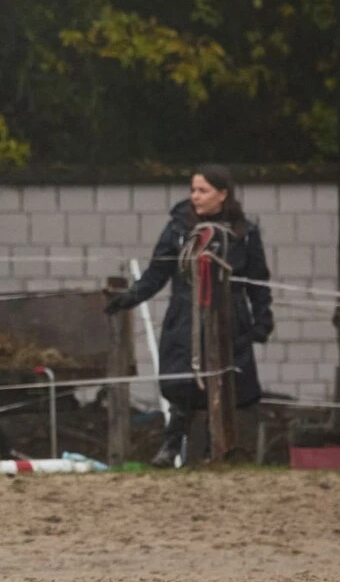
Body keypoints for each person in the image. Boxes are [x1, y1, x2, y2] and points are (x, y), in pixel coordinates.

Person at [105, 164, 274, 466]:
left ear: (222, 194)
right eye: (193, 189)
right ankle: (172, 441)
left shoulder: (244, 234)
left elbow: (258, 282)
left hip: (229, 319)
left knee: (224, 380)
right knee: (180, 379)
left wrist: (263, 319)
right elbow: (158, 272)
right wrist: (130, 298)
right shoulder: (178, 229)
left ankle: (216, 449)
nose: (195, 196)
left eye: (203, 190)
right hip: (186, 316)